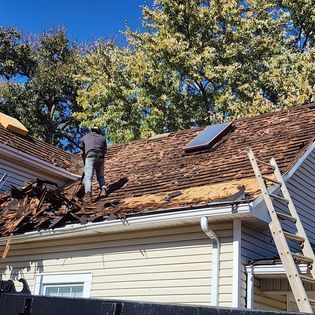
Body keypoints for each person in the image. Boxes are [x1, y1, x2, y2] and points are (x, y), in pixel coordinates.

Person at [79, 127, 108, 202]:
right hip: (100, 158)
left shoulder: (85, 137)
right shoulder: (103, 138)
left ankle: (88, 194)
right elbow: (105, 151)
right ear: (99, 131)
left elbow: (82, 149)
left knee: (88, 177)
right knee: (100, 176)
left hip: (90, 157)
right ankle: (103, 189)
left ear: (91, 131)